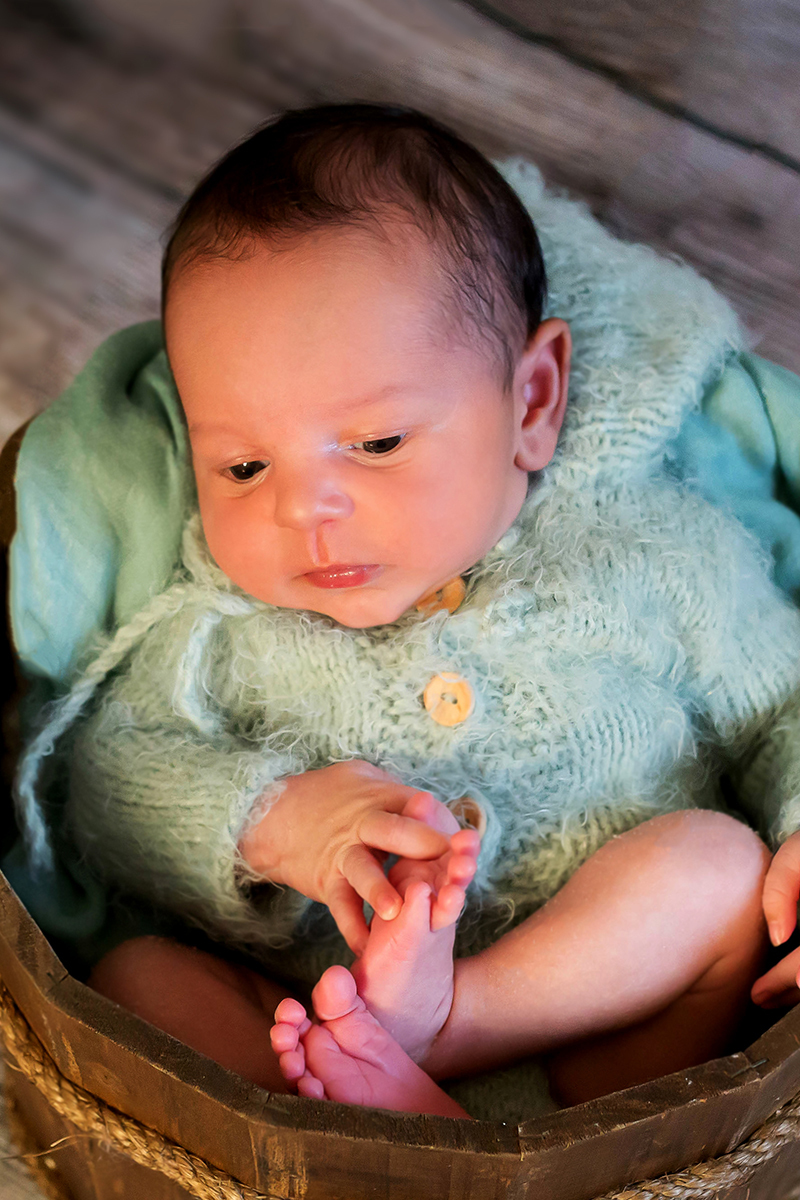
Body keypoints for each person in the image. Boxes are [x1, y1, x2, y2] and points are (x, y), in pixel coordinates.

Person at [12, 104, 800, 1120]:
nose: (305, 510)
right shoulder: (217, 626)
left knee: (715, 869)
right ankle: (376, 1134)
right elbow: (109, 785)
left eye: (377, 443)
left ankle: (454, 1024)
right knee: (139, 980)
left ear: (530, 401)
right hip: (309, 1037)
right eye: (243, 466)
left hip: (603, 1057)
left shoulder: (655, 557)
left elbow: (781, 698)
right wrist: (267, 821)